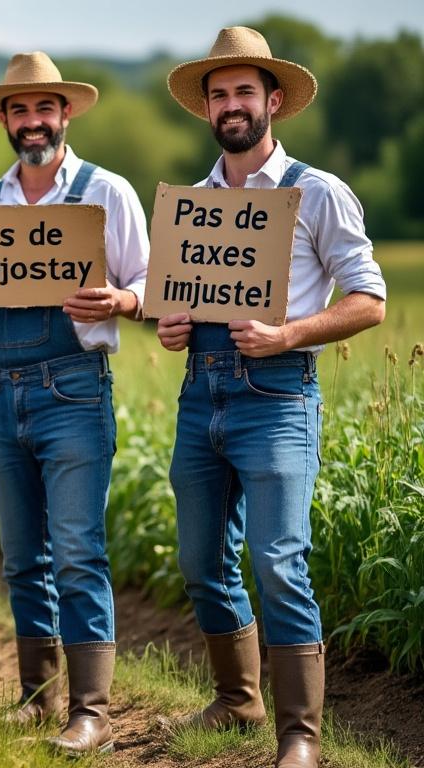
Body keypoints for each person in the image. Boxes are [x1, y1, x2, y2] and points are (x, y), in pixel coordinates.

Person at [156, 27, 386, 768]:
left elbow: (370, 299)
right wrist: (172, 322)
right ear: (206, 109)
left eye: (244, 92)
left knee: (278, 560)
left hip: (279, 393)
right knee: (200, 560)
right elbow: (176, 304)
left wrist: (289, 335)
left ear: (273, 101)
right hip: (202, 394)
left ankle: (300, 737)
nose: (230, 105)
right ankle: (236, 700)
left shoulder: (315, 192)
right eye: (218, 94)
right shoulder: (190, 205)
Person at [0, 51, 150, 755]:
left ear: (65, 114)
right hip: (6, 390)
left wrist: (120, 298)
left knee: (78, 552)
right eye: (19, 110)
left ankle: (90, 709)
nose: (33, 122)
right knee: (22, 556)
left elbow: (155, 283)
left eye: (44, 108)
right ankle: (37, 697)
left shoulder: (105, 191)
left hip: (75, 388)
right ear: (6, 119)